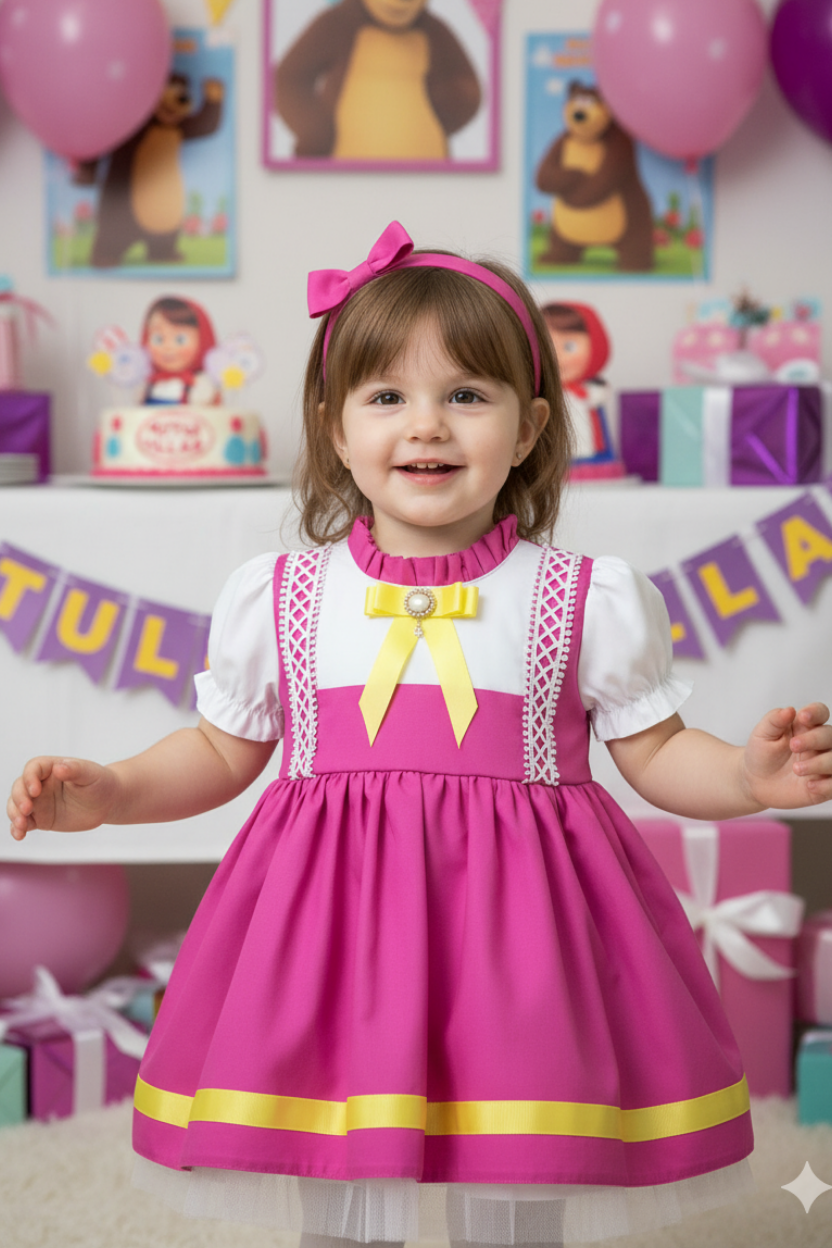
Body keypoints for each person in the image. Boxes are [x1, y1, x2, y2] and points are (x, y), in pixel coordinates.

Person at [7, 222, 832, 1248]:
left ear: (528, 428)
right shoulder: (283, 595)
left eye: (467, 395)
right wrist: (115, 790)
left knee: (519, 1165)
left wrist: (748, 778)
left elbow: (657, 753)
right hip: (335, 935)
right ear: (334, 427)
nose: (427, 425)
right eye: (387, 396)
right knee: (343, 1171)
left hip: (523, 938)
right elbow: (219, 750)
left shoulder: (581, 596)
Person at [140, 295, 219, 405]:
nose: (168, 347)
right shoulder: (147, 384)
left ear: (203, 339)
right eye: (158, 339)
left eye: (180, 340)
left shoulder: (200, 383)